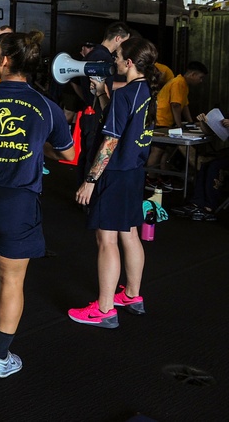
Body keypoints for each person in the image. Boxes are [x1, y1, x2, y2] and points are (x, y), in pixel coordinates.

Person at [0, 31, 75, 378]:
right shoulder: (48, 107)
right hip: (11, 208)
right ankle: (0, 359)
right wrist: (37, 145)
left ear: (4, 61)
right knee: (11, 281)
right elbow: (68, 155)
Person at [69, 37, 160, 329]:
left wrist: (90, 180)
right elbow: (122, 122)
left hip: (115, 173)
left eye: (118, 57)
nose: (115, 60)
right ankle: (132, 295)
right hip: (134, 173)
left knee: (106, 239)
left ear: (129, 63)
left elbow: (110, 140)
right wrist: (102, 95)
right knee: (129, 233)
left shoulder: (124, 94)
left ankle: (105, 309)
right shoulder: (145, 90)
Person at [74, 22, 132, 178]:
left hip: (90, 112)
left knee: (87, 155)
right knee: (94, 156)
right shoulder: (103, 57)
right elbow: (104, 88)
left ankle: (83, 194)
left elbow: (107, 84)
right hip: (97, 114)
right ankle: (88, 194)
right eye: (126, 42)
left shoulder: (93, 54)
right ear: (118, 38)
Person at [145, 60, 208, 188]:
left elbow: (185, 106)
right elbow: (175, 105)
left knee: (167, 151)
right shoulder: (178, 82)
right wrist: (180, 126)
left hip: (167, 122)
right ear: (193, 74)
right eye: (200, 78)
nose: (200, 81)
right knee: (157, 150)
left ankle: (163, 177)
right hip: (160, 120)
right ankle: (150, 179)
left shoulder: (184, 85)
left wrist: (190, 123)